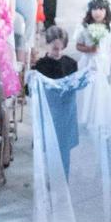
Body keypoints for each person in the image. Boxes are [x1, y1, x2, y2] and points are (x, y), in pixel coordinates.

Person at [32, 26, 80, 178]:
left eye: (60, 49)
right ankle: (48, 175)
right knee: (48, 145)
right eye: (54, 49)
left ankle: (63, 176)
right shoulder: (41, 65)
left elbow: (74, 86)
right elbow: (31, 91)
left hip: (65, 111)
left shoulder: (71, 64)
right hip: (49, 111)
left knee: (64, 146)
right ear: (48, 45)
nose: (57, 52)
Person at [74, 0, 111, 82]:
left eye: (101, 9)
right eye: (94, 9)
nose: (98, 13)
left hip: (104, 63)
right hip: (88, 63)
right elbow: (78, 46)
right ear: (90, 11)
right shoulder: (84, 28)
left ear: (106, 12)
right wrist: (89, 49)